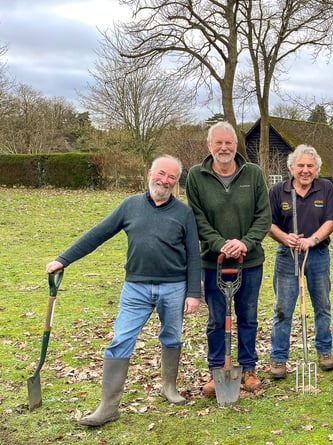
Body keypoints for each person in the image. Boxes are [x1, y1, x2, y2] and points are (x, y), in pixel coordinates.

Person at [45, 155, 202, 427]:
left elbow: (194, 255)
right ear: (150, 173)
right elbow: (97, 234)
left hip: (173, 287)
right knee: (121, 338)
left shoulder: (183, 213)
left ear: (177, 182)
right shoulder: (130, 206)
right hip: (136, 288)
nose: (164, 180)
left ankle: (169, 387)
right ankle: (108, 407)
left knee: (172, 336)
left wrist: (192, 292)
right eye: (161, 173)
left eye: (172, 177)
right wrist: (63, 259)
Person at [186, 121, 271, 396]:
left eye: (229, 143)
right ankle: (216, 371)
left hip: (250, 261)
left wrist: (244, 243)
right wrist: (220, 244)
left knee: (247, 316)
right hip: (214, 262)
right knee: (216, 319)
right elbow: (197, 218)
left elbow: (264, 217)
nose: (224, 148)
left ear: (236, 145)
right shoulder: (196, 177)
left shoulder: (253, 173)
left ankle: (248, 368)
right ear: (209, 146)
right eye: (219, 143)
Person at [267, 144, 333, 379]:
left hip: (317, 255)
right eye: (301, 166)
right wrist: (286, 238)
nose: (305, 170)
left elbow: (330, 221)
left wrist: (313, 240)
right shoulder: (278, 191)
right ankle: (278, 358)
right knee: (283, 309)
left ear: (317, 169)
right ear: (291, 167)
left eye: (310, 166)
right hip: (287, 256)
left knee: (322, 306)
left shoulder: (325, 188)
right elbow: (269, 224)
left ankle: (324, 351)